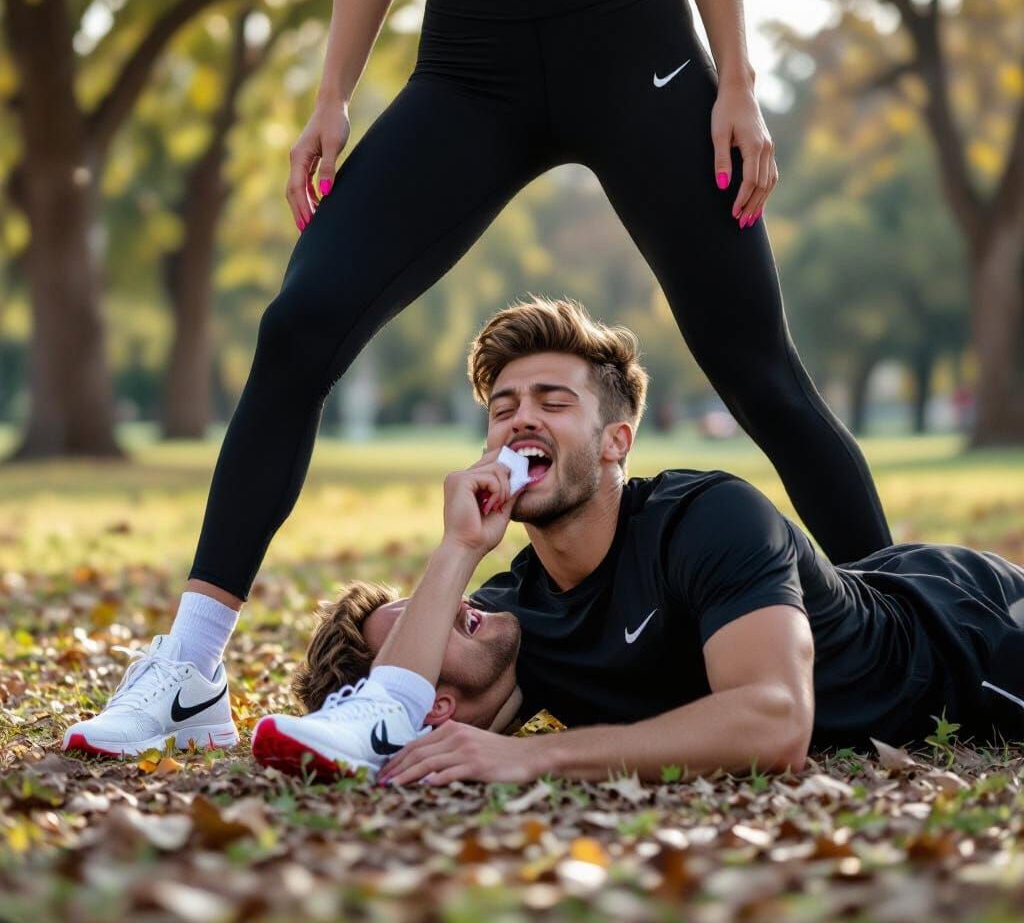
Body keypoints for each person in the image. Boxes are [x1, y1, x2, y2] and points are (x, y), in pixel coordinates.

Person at [62, 0, 893, 757]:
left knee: (757, 369)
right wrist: (332, 93)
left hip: (628, 30)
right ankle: (191, 669)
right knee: (299, 327)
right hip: (472, 52)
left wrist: (737, 80)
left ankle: (901, 623)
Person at [250, 298, 1024, 785]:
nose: (520, 419)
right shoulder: (513, 621)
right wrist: (456, 551)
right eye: (503, 409)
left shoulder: (710, 516)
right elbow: (398, 718)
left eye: (552, 402)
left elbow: (777, 724)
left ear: (616, 442)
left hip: (972, 635)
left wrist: (535, 757)